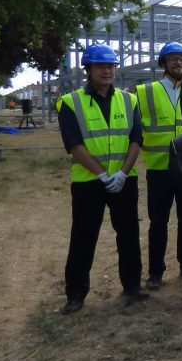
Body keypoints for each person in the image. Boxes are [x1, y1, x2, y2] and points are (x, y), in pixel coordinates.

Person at [57, 43, 146, 313]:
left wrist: (121, 172)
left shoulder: (129, 100)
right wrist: (102, 174)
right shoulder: (71, 102)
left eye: (110, 65)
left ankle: (132, 285)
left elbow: (135, 139)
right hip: (89, 182)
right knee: (84, 236)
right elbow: (74, 144)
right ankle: (76, 293)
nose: (107, 70)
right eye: (100, 66)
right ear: (88, 69)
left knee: (129, 232)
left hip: (123, 179)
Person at [135, 41, 182, 290]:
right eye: (173, 59)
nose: (178, 62)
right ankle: (155, 271)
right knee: (158, 222)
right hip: (159, 167)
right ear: (163, 64)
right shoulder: (145, 91)